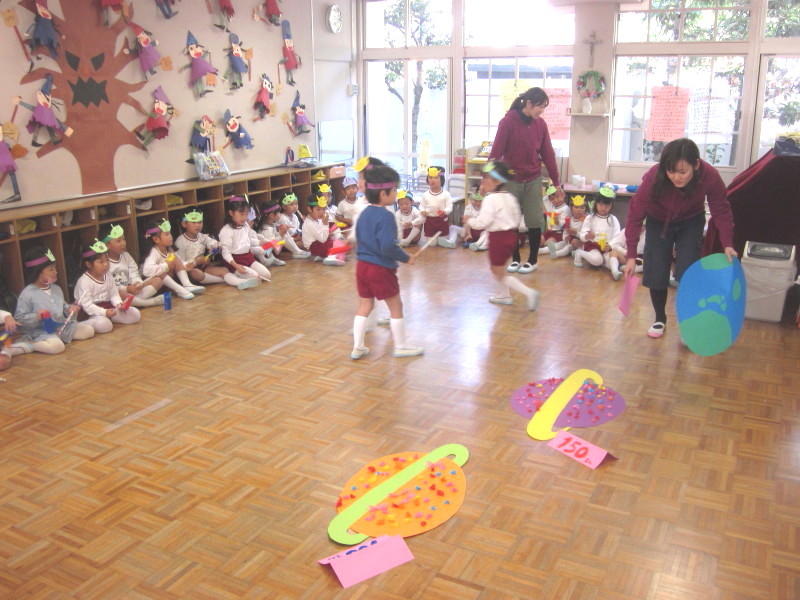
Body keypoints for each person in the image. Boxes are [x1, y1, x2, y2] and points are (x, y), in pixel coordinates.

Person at [623, 137, 736, 338]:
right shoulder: (655, 176)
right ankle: (659, 318)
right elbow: (635, 214)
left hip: (691, 221)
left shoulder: (709, 176)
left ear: (696, 165)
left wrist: (727, 243)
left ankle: (687, 321)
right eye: (671, 171)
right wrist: (631, 255)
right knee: (656, 269)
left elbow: (721, 209)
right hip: (658, 221)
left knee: (689, 272)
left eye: (683, 172)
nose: (677, 177)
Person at [351, 164, 423, 360]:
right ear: (383, 194)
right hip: (380, 269)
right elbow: (387, 247)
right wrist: (406, 257)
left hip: (361, 267)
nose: (396, 194)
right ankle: (401, 346)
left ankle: (358, 347)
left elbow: (360, 238)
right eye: (394, 190)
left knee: (365, 305)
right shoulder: (387, 216)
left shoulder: (364, 213)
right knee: (396, 306)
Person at [490, 87, 564, 274]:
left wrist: (556, 182)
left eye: (544, 107)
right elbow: (496, 153)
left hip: (532, 178)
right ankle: (515, 259)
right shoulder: (507, 122)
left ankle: (532, 260)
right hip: (511, 180)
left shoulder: (540, 125)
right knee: (510, 220)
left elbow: (548, 154)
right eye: (540, 106)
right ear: (528, 103)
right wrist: (487, 179)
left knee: (534, 219)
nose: (542, 111)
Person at [464, 161, 539, 310]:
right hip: (511, 236)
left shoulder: (490, 199)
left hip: (498, 239)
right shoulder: (510, 197)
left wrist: (469, 221)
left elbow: (482, 222)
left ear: (498, 181)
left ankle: (529, 292)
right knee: (500, 268)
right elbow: (517, 217)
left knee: (498, 272)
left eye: (487, 178)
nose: (484, 181)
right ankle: (505, 295)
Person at [12, 246, 94, 355]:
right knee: (57, 347)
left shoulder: (56, 289)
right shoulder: (27, 293)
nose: (55, 272)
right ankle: (31, 344)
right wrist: (37, 317)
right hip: (40, 332)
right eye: (51, 269)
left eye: (55, 268)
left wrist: (70, 310)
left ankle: (57, 339)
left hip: (61, 327)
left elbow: (63, 307)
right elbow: (19, 319)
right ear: (37, 272)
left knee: (89, 330)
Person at [74, 239, 142, 334]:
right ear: (89, 264)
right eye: (101, 262)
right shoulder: (84, 281)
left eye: (107, 260)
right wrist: (104, 312)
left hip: (108, 308)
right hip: (90, 313)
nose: (106, 264)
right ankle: (81, 325)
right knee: (105, 325)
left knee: (135, 314)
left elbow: (114, 294)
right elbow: (88, 306)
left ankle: (108, 318)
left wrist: (119, 304)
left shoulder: (108, 275)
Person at [141, 218, 205, 299]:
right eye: (167, 234)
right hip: (155, 285)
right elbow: (147, 271)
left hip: (167, 284)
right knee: (161, 273)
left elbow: (179, 261)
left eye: (170, 233)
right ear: (156, 239)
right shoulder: (153, 252)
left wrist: (186, 265)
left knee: (176, 259)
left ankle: (187, 284)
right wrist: (166, 265)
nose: (171, 237)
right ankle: (180, 289)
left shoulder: (169, 249)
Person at [102, 223, 165, 307]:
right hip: (118, 295)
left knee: (158, 280)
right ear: (107, 245)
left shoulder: (126, 256)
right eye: (118, 241)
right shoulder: (104, 262)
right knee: (121, 293)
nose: (123, 243)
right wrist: (126, 289)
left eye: (124, 239)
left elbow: (134, 272)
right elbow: (107, 286)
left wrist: (137, 283)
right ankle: (149, 303)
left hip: (131, 289)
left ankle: (135, 302)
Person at [174, 209, 239, 285]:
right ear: (184, 224)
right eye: (194, 222)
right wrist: (197, 262)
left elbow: (213, 242)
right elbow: (180, 263)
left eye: (200, 222)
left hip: (203, 267)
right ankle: (225, 279)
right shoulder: (180, 241)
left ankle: (237, 281)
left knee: (224, 269)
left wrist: (216, 247)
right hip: (189, 271)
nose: (198, 225)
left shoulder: (201, 236)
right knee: (196, 273)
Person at [218, 196, 271, 289]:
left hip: (248, 257)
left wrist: (260, 242)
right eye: (241, 214)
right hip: (235, 261)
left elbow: (247, 240)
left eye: (246, 215)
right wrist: (236, 266)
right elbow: (226, 253)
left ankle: (241, 274)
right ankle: (235, 275)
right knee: (256, 278)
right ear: (231, 213)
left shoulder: (245, 225)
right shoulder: (226, 230)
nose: (244, 218)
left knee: (267, 275)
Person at [574, 187, 621, 269]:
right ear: (596, 203)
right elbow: (582, 235)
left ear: (611, 206)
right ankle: (579, 253)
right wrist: (587, 236)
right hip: (593, 246)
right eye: (601, 204)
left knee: (611, 264)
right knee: (597, 260)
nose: (603, 208)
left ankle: (601, 261)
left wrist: (610, 245)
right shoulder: (590, 218)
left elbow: (617, 237)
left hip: (606, 248)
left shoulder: (613, 219)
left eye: (607, 205)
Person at [302, 194, 347, 266]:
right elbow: (322, 239)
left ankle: (322, 256)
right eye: (318, 209)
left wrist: (328, 232)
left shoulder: (316, 218)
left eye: (323, 209)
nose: (322, 212)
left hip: (320, 243)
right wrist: (325, 223)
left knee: (332, 225)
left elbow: (322, 233)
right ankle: (330, 257)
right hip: (315, 247)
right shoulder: (310, 223)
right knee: (341, 245)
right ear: (309, 209)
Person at [419, 166, 454, 247]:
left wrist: (445, 212)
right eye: (430, 178)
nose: (433, 180)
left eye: (436, 178)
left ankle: (450, 238)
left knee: (442, 243)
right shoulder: (425, 195)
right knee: (432, 244)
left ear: (441, 180)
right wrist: (422, 211)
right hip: (430, 221)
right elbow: (421, 206)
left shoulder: (446, 194)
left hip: (442, 221)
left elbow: (449, 206)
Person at [548, 194, 588, 260]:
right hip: (570, 241)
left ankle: (557, 254)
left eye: (582, 207)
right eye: (576, 207)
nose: (579, 210)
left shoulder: (586, 220)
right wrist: (566, 238)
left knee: (569, 246)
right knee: (562, 243)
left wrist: (576, 233)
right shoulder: (569, 220)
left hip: (581, 243)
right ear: (571, 208)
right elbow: (565, 232)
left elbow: (586, 236)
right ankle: (546, 250)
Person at [537, 184, 570, 256]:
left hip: (558, 233)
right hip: (549, 231)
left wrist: (557, 221)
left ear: (563, 195)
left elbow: (562, 225)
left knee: (547, 244)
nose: (556, 200)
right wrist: (550, 189)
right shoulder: (551, 206)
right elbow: (545, 199)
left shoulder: (565, 209)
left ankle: (546, 249)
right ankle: (544, 248)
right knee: (537, 241)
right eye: (552, 199)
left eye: (557, 197)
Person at [277, 193, 311, 258]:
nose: (295, 206)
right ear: (284, 207)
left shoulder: (295, 216)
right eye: (291, 204)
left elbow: (297, 229)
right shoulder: (282, 218)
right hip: (286, 241)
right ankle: (296, 251)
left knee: (308, 239)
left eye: (296, 204)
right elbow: (285, 235)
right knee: (304, 243)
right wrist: (295, 239)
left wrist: (302, 234)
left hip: (295, 238)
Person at [258, 202, 287, 266]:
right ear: (271, 215)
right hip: (268, 252)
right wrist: (281, 235)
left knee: (285, 236)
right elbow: (271, 244)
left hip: (272, 249)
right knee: (284, 237)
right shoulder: (266, 229)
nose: (280, 214)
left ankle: (297, 251)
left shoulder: (271, 224)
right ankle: (272, 258)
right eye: (278, 212)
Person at [463, 187, 489, 251]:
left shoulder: (486, 208)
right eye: (476, 201)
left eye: (480, 201)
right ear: (472, 200)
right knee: (454, 228)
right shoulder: (469, 208)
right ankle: (452, 240)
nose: (478, 203)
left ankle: (480, 244)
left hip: (482, 232)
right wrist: (469, 234)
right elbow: (467, 222)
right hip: (471, 231)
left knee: (488, 232)